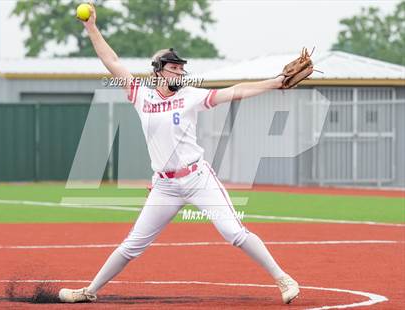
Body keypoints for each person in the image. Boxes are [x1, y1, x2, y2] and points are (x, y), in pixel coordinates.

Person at [59, 4, 300, 305]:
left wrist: (275, 82)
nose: (180, 72)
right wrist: (92, 28)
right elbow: (112, 60)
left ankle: (283, 279)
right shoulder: (140, 94)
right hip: (164, 186)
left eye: (182, 68)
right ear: (158, 70)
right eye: (174, 67)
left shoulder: (191, 96)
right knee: (132, 245)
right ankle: (89, 291)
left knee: (233, 232)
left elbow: (234, 91)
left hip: (197, 178)